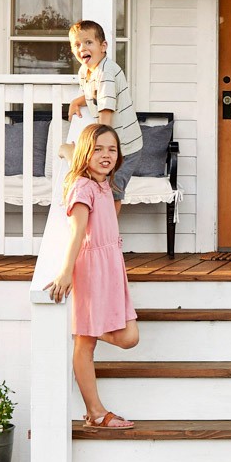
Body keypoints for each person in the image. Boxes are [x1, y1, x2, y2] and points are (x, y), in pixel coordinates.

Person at [46, 123, 139, 430]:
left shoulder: (104, 186)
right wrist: (65, 273)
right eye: (98, 149)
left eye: (112, 149)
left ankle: (81, 327)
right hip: (91, 269)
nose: (106, 155)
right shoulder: (83, 187)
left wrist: (70, 151)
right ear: (86, 152)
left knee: (129, 337)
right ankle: (96, 412)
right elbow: (77, 234)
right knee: (86, 343)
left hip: (110, 266)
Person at [68, 20, 143, 207]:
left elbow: (105, 117)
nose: (82, 48)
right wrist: (76, 101)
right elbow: (93, 95)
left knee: (113, 191)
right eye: (77, 44)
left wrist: (96, 149)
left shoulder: (106, 73)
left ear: (103, 46)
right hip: (111, 145)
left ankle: (109, 233)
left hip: (125, 147)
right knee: (102, 188)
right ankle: (102, 230)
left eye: (88, 42)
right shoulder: (86, 71)